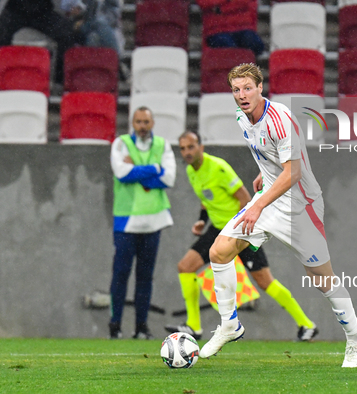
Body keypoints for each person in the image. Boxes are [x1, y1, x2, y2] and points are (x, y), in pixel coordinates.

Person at [197, 63, 357, 367]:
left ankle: (355, 336)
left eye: (248, 88)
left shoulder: (280, 120)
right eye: (236, 90)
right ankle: (229, 324)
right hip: (270, 197)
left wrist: (259, 203)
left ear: (261, 87)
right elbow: (271, 159)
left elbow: (294, 172)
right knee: (219, 251)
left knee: (322, 281)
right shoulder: (241, 116)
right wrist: (264, 175)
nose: (242, 95)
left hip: (301, 205)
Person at [166, 130, 319, 341]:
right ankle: (194, 326)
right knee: (185, 267)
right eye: (183, 148)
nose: (187, 152)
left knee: (265, 282)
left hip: (239, 229)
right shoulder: (193, 171)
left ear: (201, 147)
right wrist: (202, 219)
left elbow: (244, 197)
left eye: (191, 147)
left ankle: (306, 325)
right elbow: (206, 198)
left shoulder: (218, 168)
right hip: (216, 230)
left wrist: (244, 232)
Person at [108, 106, 176, 339]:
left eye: (146, 121)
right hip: (126, 220)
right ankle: (115, 325)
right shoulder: (121, 143)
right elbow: (121, 173)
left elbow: (169, 178)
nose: (142, 126)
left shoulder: (162, 145)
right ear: (132, 123)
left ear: (152, 123)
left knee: (145, 277)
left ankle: (141, 327)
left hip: (154, 220)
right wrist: (154, 169)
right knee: (120, 274)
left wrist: (137, 170)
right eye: (138, 121)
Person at [0, 0, 78, 83]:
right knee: (2, 32)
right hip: (15, 10)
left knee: (67, 33)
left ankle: (60, 80)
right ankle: (4, 74)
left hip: (42, 12)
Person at [196, 0, 264, 56]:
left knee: (255, 45)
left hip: (242, 26)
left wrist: (222, 8)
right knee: (229, 52)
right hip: (216, 30)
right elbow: (204, 2)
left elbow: (245, 2)